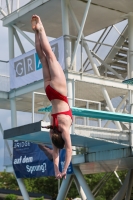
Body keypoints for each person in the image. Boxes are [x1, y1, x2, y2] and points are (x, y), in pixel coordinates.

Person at [31, 15, 73, 179]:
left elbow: (67, 150)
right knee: (42, 58)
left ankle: (41, 29)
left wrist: (64, 169)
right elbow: (55, 153)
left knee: (50, 56)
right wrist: (57, 171)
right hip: (49, 91)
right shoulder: (53, 131)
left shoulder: (63, 129)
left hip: (59, 91)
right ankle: (36, 32)